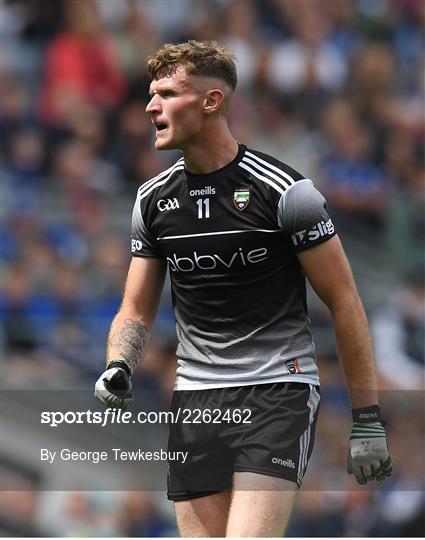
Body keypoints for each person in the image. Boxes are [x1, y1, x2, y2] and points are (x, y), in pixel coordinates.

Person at [95, 40, 392, 537]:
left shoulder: (285, 193)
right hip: (194, 398)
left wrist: (367, 418)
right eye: (151, 94)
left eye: (167, 94)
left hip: (277, 392)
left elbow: (344, 302)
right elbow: (136, 309)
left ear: (211, 102)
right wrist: (118, 364)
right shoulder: (151, 201)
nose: (150, 107)